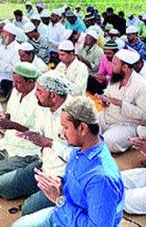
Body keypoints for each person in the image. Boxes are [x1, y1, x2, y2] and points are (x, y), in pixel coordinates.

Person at [13, 96, 124, 227]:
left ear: (82, 128)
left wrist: (59, 200)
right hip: (61, 216)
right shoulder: (80, 151)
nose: (62, 133)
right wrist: (59, 183)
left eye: (66, 127)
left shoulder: (102, 179)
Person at [0, 71, 72, 215]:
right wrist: (32, 135)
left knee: (28, 210)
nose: (36, 95)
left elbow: (79, 157)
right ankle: (38, 190)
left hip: (62, 178)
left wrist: (48, 143)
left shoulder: (74, 115)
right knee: (0, 186)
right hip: (44, 166)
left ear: (53, 96)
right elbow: (39, 131)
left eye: (40, 91)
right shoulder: (44, 107)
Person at [97, 49, 146, 153]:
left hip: (127, 125)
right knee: (86, 123)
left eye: (114, 64)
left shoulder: (142, 85)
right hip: (108, 117)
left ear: (125, 67)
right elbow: (108, 96)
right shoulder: (115, 78)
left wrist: (121, 104)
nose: (111, 66)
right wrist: (104, 100)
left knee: (107, 141)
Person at [0, 23, 20, 97]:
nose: (1, 35)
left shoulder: (17, 49)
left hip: (7, 77)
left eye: (4, 32)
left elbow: (15, 69)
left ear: (11, 35)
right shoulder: (2, 46)